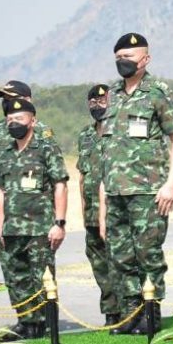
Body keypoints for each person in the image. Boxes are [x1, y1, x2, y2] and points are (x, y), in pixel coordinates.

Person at [101, 33, 173, 335]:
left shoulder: (157, 92)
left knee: (147, 253)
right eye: (119, 58)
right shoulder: (112, 93)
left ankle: (151, 313)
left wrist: (172, 183)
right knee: (121, 255)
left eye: (129, 57)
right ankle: (130, 313)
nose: (123, 62)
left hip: (148, 190)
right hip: (116, 190)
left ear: (145, 59)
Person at [0, 97, 68, 339]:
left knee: (42, 278)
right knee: (18, 279)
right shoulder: (5, 152)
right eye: (10, 119)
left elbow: (60, 185)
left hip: (40, 228)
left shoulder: (45, 148)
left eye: (19, 118)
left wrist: (59, 223)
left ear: (32, 121)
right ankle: (26, 323)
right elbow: (0, 191)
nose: (14, 123)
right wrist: (1, 224)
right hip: (12, 228)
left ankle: (47, 327)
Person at [0, 80, 56, 288]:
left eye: (11, 98)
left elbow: (53, 175)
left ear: (27, 100)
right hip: (5, 211)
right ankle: (22, 310)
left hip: (36, 213)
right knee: (13, 272)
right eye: (5, 99)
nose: (7, 103)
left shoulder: (42, 131)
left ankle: (45, 310)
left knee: (42, 276)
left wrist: (53, 213)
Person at [75, 85, 120, 327]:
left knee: (121, 262)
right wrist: (83, 209)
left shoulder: (119, 130)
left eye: (102, 100)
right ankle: (111, 312)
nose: (97, 105)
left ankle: (132, 311)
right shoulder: (85, 135)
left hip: (116, 211)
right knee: (99, 262)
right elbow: (82, 176)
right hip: (92, 212)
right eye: (93, 102)